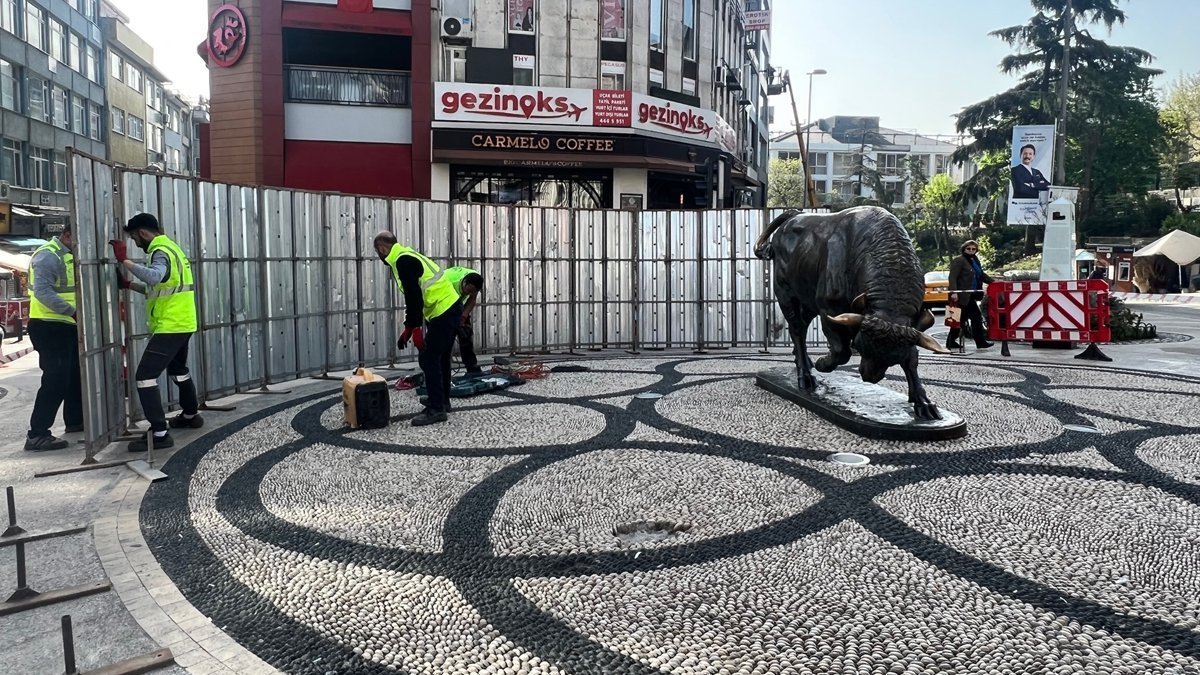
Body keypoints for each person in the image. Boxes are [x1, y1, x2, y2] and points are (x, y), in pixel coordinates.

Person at [111, 213, 202, 452]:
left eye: (133, 238)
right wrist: (130, 285)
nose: (135, 243)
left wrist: (125, 261)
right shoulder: (173, 248)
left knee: (144, 376)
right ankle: (191, 415)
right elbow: (161, 288)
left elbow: (155, 276)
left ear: (142, 233)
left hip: (171, 325)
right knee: (178, 370)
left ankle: (160, 434)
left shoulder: (159, 250)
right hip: (183, 321)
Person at [373, 232, 462, 426]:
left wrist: (415, 329)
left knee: (428, 357)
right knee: (440, 356)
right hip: (448, 306)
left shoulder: (402, 261)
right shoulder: (405, 254)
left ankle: (436, 409)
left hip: (443, 309)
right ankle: (442, 401)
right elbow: (415, 296)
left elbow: (414, 298)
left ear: (382, 249)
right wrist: (409, 326)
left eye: (378, 252)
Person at [24, 225, 83, 451]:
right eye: (77, 240)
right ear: (67, 235)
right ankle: (37, 434)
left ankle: (76, 420)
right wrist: (73, 312)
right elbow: (43, 291)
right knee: (55, 380)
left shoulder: (68, 254)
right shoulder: (48, 255)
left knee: (74, 375)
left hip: (66, 326)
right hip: (49, 326)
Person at [946, 240, 994, 351]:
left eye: (973, 249)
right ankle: (980, 342)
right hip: (961, 295)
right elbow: (952, 277)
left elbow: (981, 275)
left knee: (960, 319)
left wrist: (993, 282)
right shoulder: (959, 260)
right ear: (964, 249)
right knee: (973, 317)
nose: (971, 251)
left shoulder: (975, 260)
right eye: (969, 249)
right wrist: (954, 292)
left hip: (972, 294)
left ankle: (950, 341)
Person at [444, 266, 485, 375]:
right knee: (444, 339)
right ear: (464, 283)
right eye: (468, 290)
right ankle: (441, 370)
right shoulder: (448, 282)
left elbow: (472, 300)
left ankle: (472, 367)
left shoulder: (475, 281)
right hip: (440, 305)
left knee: (465, 334)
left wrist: (463, 317)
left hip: (458, 304)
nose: (468, 293)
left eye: (472, 291)